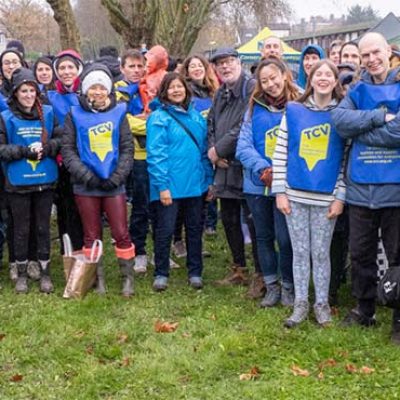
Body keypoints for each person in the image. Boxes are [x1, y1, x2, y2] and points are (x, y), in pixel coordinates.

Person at [331, 32, 400, 344]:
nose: (372, 60)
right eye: (365, 55)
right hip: (361, 190)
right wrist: (378, 118)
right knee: (360, 253)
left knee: (398, 256)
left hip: (394, 189)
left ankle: (398, 320)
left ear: (388, 51)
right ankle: (364, 309)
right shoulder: (357, 89)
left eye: (376, 52)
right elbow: (341, 121)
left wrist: (362, 131)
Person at [273, 59, 346, 328]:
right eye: (319, 74)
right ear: (311, 78)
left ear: (336, 81)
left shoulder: (342, 114)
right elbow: (280, 153)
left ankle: (322, 304)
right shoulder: (293, 111)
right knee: (300, 251)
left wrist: (341, 196)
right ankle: (301, 302)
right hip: (295, 195)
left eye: (329, 74)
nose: (323, 78)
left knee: (322, 253)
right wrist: (280, 191)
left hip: (326, 198)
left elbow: (345, 160)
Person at [62, 63, 135, 297]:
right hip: (86, 185)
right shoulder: (74, 114)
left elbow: (126, 148)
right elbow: (68, 150)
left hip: (114, 185)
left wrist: (117, 176)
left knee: (121, 231)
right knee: (91, 234)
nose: (97, 92)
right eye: (92, 87)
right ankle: (97, 279)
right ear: (85, 90)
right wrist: (86, 176)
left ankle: (127, 279)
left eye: (101, 87)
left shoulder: (120, 112)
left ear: (108, 90)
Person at [236, 57, 297, 306]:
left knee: (285, 238)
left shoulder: (299, 104)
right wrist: (263, 167)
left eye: (274, 78)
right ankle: (271, 285)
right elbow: (243, 146)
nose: (271, 84)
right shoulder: (253, 108)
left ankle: (288, 285)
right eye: (264, 81)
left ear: (284, 75)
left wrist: (282, 171)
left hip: (288, 186)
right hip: (257, 184)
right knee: (263, 237)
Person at [146, 72, 213, 291]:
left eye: (180, 86)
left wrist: (208, 181)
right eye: (171, 87)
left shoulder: (196, 118)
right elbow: (156, 154)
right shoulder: (158, 118)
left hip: (195, 184)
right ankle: (161, 272)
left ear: (186, 89)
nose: (176, 91)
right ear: (164, 92)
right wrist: (162, 186)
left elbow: (203, 152)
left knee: (194, 229)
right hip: (169, 186)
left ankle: (195, 271)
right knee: (165, 230)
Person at [0, 67, 60, 293]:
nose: (28, 95)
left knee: (43, 227)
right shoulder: (5, 118)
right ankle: (22, 272)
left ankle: (45, 272)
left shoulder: (48, 113)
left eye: (32, 90)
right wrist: (24, 151)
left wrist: (47, 147)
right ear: (15, 93)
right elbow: (1, 148)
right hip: (18, 183)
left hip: (44, 180)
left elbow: (61, 140)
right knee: (21, 229)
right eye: (23, 91)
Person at [208, 47, 260, 290]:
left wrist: (220, 148)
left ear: (239, 62)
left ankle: (262, 273)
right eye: (220, 64)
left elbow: (245, 124)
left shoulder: (250, 88)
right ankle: (239, 267)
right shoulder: (220, 93)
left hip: (244, 166)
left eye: (229, 62)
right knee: (228, 219)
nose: (225, 67)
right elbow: (211, 123)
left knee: (254, 221)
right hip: (224, 167)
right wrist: (214, 151)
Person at [115, 49, 150, 274]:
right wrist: (149, 123)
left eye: (140, 66)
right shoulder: (118, 91)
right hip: (131, 155)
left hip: (153, 155)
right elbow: (121, 121)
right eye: (132, 66)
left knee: (153, 205)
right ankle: (139, 252)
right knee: (138, 206)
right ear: (122, 68)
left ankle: (161, 250)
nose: (136, 71)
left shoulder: (151, 87)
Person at [48, 49, 85, 254]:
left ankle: (85, 249)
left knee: (83, 207)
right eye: (62, 68)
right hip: (61, 159)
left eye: (70, 67)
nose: (66, 71)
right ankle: (68, 252)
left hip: (85, 159)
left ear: (78, 69)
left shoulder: (88, 93)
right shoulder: (51, 97)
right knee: (65, 207)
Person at [181, 54, 220, 238]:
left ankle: (210, 221)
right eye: (193, 66)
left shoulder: (214, 91)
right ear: (187, 71)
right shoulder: (185, 92)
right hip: (194, 143)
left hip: (212, 140)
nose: (197, 69)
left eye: (200, 66)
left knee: (212, 181)